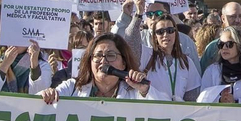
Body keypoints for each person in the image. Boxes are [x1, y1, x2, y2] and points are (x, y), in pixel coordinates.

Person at [34, 34, 164, 103]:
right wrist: (46, 95)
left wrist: (145, 91)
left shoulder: (135, 92)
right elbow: (35, 105)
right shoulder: (72, 87)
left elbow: (167, 111)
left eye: (111, 55)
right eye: (98, 56)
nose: (103, 61)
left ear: (124, 63)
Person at [141, 15, 200, 101]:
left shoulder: (186, 61)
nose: (165, 35)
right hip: (153, 108)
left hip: (178, 109)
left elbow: (192, 97)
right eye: (160, 32)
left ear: (176, 33)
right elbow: (130, 41)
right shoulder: (146, 55)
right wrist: (138, 15)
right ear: (155, 36)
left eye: (170, 30)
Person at [197, 26, 241, 104]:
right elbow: (202, 99)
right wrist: (219, 100)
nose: (224, 48)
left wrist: (236, 102)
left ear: (240, 45)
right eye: (221, 44)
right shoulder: (211, 71)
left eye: (229, 44)